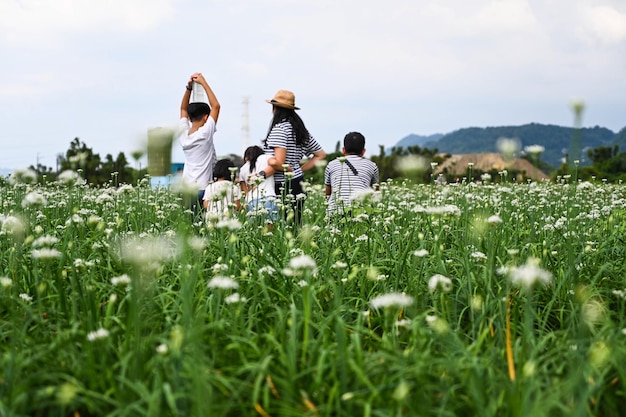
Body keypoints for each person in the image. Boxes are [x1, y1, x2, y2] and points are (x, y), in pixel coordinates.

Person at [262, 90, 326, 225]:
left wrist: (260, 174)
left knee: (280, 226)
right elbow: (320, 155)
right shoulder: (300, 129)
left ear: (275, 108)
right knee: (295, 225)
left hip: (281, 185)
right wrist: (300, 170)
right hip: (298, 182)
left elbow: (279, 162)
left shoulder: (279, 129)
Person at [177, 72, 220, 217]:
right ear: (206, 117)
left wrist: (189, 88)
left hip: (186, 190)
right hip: (203, 188)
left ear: (189, 118)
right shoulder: (205, 134)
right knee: (202, 226)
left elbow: (183, 109)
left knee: (190, 228)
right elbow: (216, 106)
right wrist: (203, 83)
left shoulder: (183, 135)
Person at [324, 131, 379, 215]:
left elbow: (328, 194)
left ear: (343, 150)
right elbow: (375, 192)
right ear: (364, 151)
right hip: (360, 212)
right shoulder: (372, 165)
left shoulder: (331, 165)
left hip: (335, 212)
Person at [239, 146, 279, 225]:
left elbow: (244, 191)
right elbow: (275, 163)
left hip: (251, 201)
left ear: (246, 157)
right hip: (269, 197)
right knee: (270, 229)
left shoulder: (243, 168)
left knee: (255, 230)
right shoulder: (266, 157)